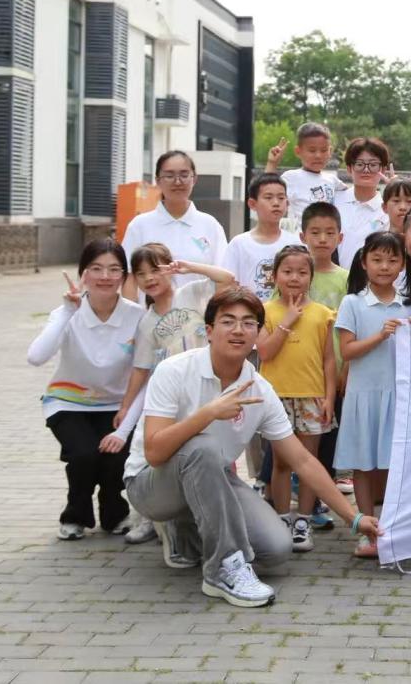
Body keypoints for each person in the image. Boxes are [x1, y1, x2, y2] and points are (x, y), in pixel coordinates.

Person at [124, 287, 378, 608]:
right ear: (209, 330)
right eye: (228, 321)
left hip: (213, 477)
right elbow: (154, 452)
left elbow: (302, 460)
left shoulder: (259, 389)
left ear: (258, 334)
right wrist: (208, 413)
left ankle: (185, 529)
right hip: (150, 484)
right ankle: (222, 570)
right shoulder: (174, 370)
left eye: (248, 323)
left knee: (276, 548)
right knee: (202, 447)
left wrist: (354, 518)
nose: (238, 330)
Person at [105, 245, 236, 545]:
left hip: (209, 391)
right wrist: (126, 407)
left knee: (216, 453)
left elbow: (227, 279)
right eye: (141, 274)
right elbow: (141, 369)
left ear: (170, 267)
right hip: (175, 400)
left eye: (156, 269)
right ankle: (152, 518)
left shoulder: (193, 294)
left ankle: (215, 514)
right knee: (166, 456)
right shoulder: (147, 322)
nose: (149, 278)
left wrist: (190, 267)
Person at [27, 239, 143, 541]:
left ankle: (114, 512)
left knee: (115, 458)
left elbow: (145, 373)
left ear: (124, 276)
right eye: (96, 268)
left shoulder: (137, 316)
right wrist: (68, 311)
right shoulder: (66, 312)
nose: (105, 276)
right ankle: (75, 515)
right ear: (83, 274)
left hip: (117, 405)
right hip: (68, 402)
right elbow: (36, 357)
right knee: (83, 454)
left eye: (114, 269)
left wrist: (127, 413)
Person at [333, 231, 411, 558]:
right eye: (377, 259)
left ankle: (392, 528)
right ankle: (366, 531)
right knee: (363, 464)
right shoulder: (352, 303)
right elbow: (347, 351)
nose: (384, 266)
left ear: (402, 265)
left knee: (393, 462)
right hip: (363, 395)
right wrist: (380, 336)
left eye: (392, 260)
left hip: (398, 395)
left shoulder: (409, 304)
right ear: (364, 262)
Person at [256, 244, 338, 554]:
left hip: (312, 397)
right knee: (279, 462)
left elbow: (329, 360)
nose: (294, 277)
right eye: (287, 271)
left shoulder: (323, 314)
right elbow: (265, 352)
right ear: (275, 276)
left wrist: (329, 397)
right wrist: (287, 320)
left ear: (311, 277)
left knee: (308, 462)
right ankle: (281, 519)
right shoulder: (264, 311)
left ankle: (303, 521)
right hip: (276, 398)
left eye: (302, 272)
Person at [122, 150, 228, 297]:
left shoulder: (210, 225)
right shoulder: (139, 226)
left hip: (200, 310)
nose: (177, 182)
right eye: (169, 176)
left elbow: (223, 275)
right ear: (158, 181)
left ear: (194, 179)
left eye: (184, 175)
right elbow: (129, 277)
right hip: (151, 311)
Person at [301, 201, 351, 496]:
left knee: (330, 431)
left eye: (330, 233)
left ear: (340, 238)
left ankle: (323, 495)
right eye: (315, 232)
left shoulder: (345, 278)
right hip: (302, 369)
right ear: (302, 236)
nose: (322, 239)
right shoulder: (294, 273)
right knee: (297, 434)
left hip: (337, 368)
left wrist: (347, 368)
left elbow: (351, 327)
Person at [222, 173, 302, 302]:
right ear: (252, 204)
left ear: (287, 203)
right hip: (249, 312)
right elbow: (229, 285)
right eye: (268, 197)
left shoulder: (295, 244)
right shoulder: (239, 244)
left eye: (281, 198)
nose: (276, 203)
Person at [263, 121, 345, 221]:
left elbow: (353, 194)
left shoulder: (332, 180)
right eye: (312, 150)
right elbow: (267, 191)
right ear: (298, 151)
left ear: (330, 151)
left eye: (324, 150)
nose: (318, 155)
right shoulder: (291, 177)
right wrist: (272, 163)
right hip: (300, 231)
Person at [334, 138, 391, 272]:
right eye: (359, 164)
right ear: (349, 168)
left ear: (383, 169)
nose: (366, 170)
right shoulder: (334, 201)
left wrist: (398, 191)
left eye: (373, 165)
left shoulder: (388, 210)